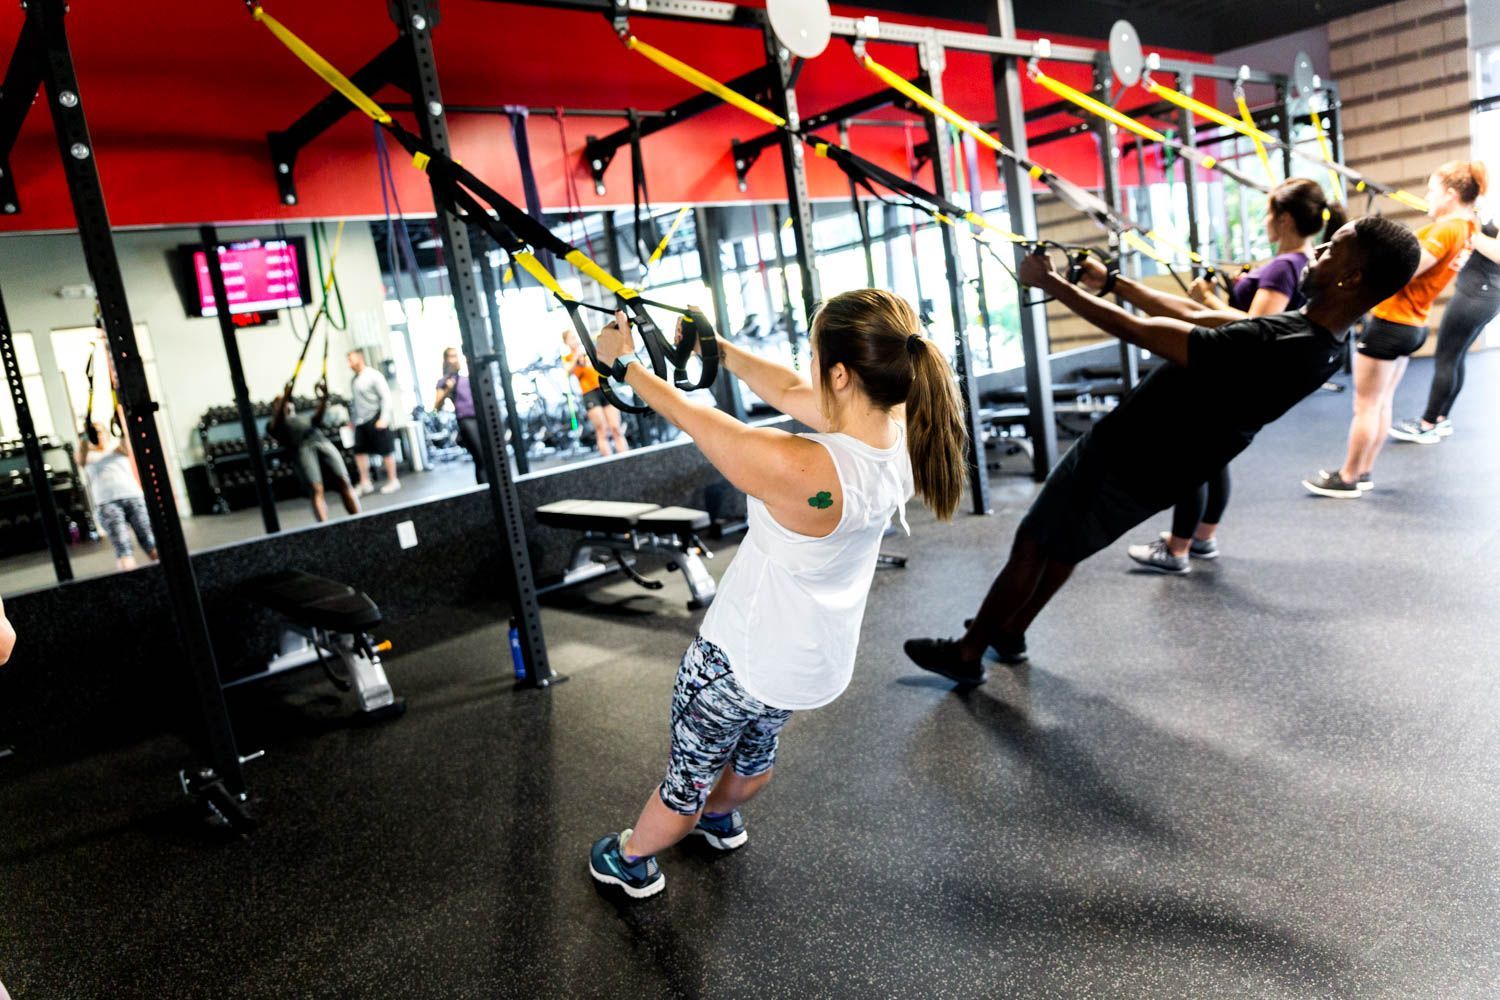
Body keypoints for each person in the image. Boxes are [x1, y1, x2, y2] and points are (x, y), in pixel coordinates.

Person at [904, 217, 1422, 682]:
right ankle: (1010, 632)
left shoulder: (1286, 342)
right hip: (1167, 466)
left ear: (1351, 278)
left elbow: (1146, 332)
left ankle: (969, 654)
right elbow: (1194, 314)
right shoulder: (1317, 336)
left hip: (1129, 453)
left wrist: (1051, 284)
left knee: (1034, 542)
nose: (1318, 252)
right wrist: (1113, 283)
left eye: (1332, 250)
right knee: (1066, 544)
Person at [586, 289, 968, 899]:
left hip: (733, 657)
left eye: (813, 353)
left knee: (683, 782)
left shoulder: (803, 467)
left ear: (840, 374)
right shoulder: (897, 434)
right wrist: (717, 349)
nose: (806, 365)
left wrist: (622, 366)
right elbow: (792, 392)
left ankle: (633, 858)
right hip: (801, 662)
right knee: (754, 757)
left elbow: (700, 421)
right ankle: (722, 816)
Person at [1126, 178, 1345, 573]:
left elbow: (1256, 329)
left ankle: (1176, 550)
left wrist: (1206, 300)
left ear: (1285, 218)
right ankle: (1203, 537)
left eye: (1267, 213)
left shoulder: (1282, 267)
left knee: (1191, 459)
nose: (1264, 221)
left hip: (1230, 376)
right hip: (1251, 385)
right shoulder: (1305, 262)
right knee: (1213, 459)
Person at [1303, 161, 1487, 497]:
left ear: (1450, 194)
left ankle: (1347, 477)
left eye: (1432, 190)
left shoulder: (1447, 229)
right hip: (1412, 322)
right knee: (1380, 402)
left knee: (1366, 405)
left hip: (1392, 322)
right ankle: (1363, 472)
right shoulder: (1466, 227)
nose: (1428, 197)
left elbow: (1408, 270)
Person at [1389, 216, 1500, 443]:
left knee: (1446, 358)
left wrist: (1468, 232)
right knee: (1455, 357)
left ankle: (1427, 424)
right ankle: (1441, 418)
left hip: (1477, 294)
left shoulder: (1467, 227)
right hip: (1480, 293)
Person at [77, 408, 158, 571]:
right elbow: (81, 458)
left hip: (133, 497)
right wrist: (86, 433)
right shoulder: (87, 455)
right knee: (123, 545)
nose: (98, 434)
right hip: (107, 503)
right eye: (95, 432)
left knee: (149, 540)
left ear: (107, 433)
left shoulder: (116, 448)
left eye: (101, 431)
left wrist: (121, 424)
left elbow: (126, 442)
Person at [268, 390, 361, 523]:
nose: (286, 404)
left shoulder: (304, 418)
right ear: (276, 407)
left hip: (322, 442)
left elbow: (318, 417)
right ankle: (324, 527)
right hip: (302, 448)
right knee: (316, 489)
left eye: (288, 401)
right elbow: (277, 420)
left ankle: (359, 519)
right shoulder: (274, 424)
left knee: (344, 481)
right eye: (281, 403)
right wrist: (284, 398)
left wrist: (324, 398)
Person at [561, 328, 630, 456]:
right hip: (589, 393)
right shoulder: (568, 358)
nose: (574, 340)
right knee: (602, 430)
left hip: (604, 387)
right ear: (566, 342)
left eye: (575, 337)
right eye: (571, 338)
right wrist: (577, 356)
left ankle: (626, 458)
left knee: (615, 428)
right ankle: (609, 463)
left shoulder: (589, 351)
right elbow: (567, 371)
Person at [347, 349, 400, 496]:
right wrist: (352, 421)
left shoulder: (374, 376)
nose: (349, 364)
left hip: (376, 418)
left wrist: (383, 419)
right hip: (361, 421)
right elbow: (356, 403)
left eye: (351, 360)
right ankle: (365, 483)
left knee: (386, 450)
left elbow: (386, 397)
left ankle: (393, 480)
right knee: (359, 452)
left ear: (360, 359)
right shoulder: (354, 380)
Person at [433, 347, 485, 483]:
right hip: (466, 420)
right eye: (451, 356)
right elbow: (435, 408)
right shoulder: (444, 382)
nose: (454, 359)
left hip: (481, 416)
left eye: (456, 356)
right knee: (480, 458)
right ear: (445, 360)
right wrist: (447, 390)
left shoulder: (467, 378)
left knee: (489, 456)